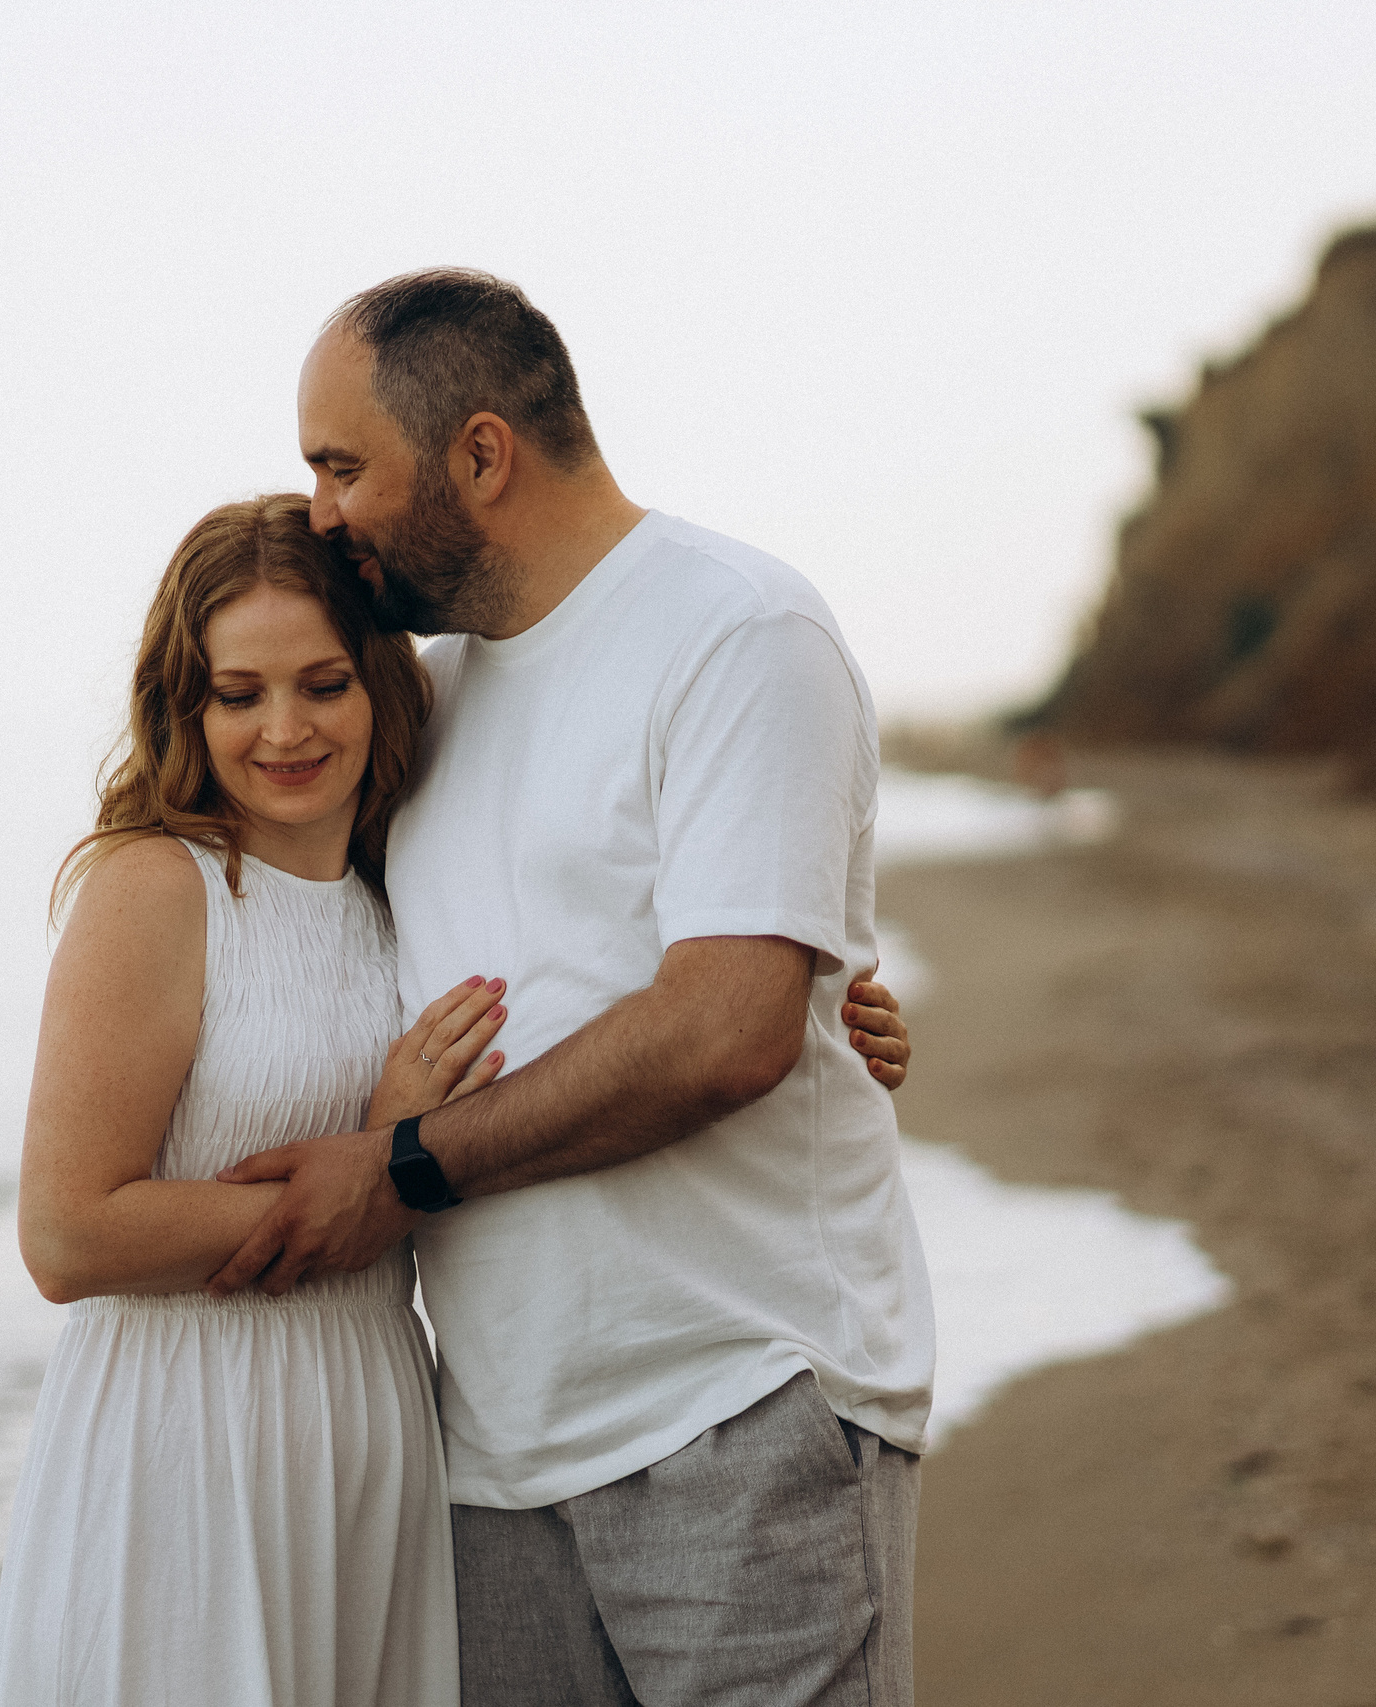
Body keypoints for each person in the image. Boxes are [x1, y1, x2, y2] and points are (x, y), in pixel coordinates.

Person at [0, 493, 913, 1705]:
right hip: (192, 1444)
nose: (284, 729)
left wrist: (828, 1016)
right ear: (185, 703)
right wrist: (380, 1158)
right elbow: (67, 1234)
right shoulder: (157, 888)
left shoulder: (404, 876)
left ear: (381, 683)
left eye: (323, 683)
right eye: (238, 693)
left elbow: (614, 971)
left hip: (382, 1434)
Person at [208, 268, 930, 1707]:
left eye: (342, 465)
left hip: (733, 1404)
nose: (322, 510)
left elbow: (725, 1029)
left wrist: (401, 1167)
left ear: (480, 454)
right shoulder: (431, 693)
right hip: (492, 1449)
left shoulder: (735, 631)